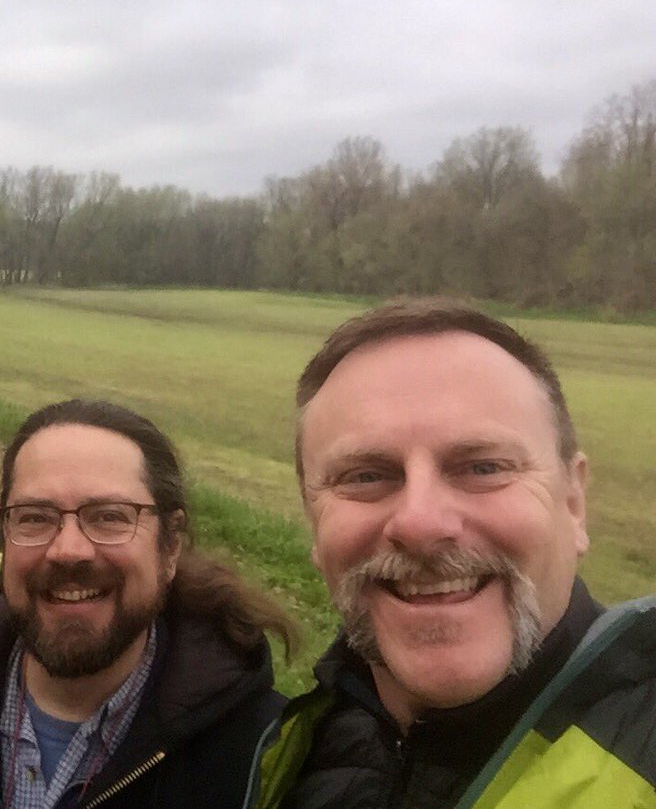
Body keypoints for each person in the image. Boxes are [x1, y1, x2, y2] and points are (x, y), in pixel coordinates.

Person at [248, 297, 656, 808]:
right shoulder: (301, 747)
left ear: (573, 503)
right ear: (314, 523)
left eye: (483, 467)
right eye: (366, 476)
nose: (420, 524)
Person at [0, 398, 294, 809]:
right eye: (35, 518)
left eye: (110, 517)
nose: (68, 550)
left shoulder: (264, 758)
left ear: (169, 547)